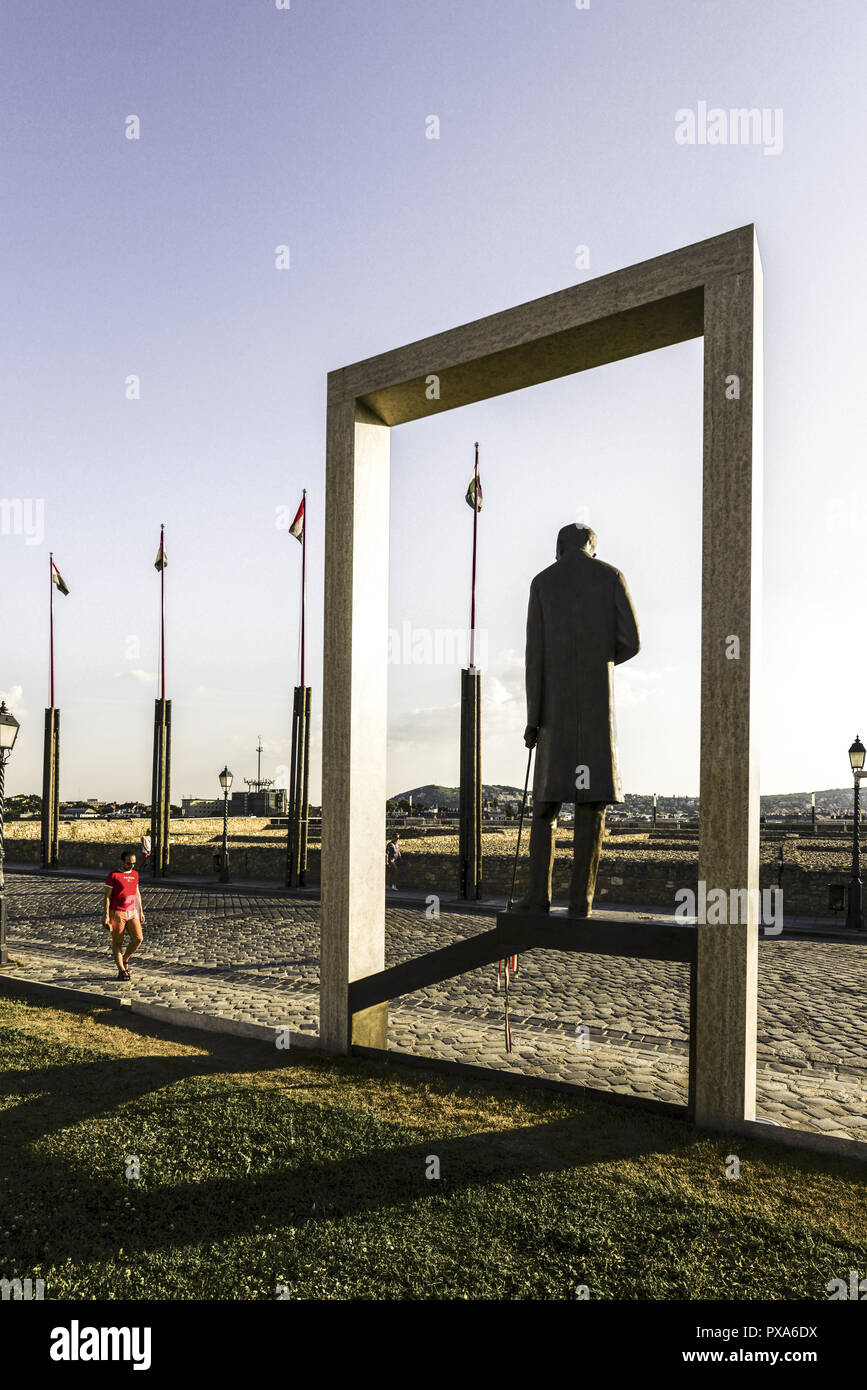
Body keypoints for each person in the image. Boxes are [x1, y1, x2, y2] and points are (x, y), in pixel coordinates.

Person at [516, 523, 640, 917]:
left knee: (544, 809)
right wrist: (598, 662)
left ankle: (538, 898)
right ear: (591, 547)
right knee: (591, 808)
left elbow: (534, 659)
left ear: (559, 547)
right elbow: (632, 641)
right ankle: (580, 902)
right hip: (595, 710)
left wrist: (533, 720)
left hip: (553, 714)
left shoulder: (542, 583)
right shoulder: (610, 577)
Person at [103, 849, 146, 980]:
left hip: (132, 912)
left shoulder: (135, 875)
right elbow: (107, 897)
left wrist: (141, 911)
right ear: (122, 861)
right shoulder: (113, 875)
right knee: (118, 942)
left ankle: (125, 958)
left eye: (133, 863)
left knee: (138, 939)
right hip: (117, 912)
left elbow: (137, 893)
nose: (131, 866)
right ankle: (121, 970)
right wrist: (106, 916)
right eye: (128, 863)